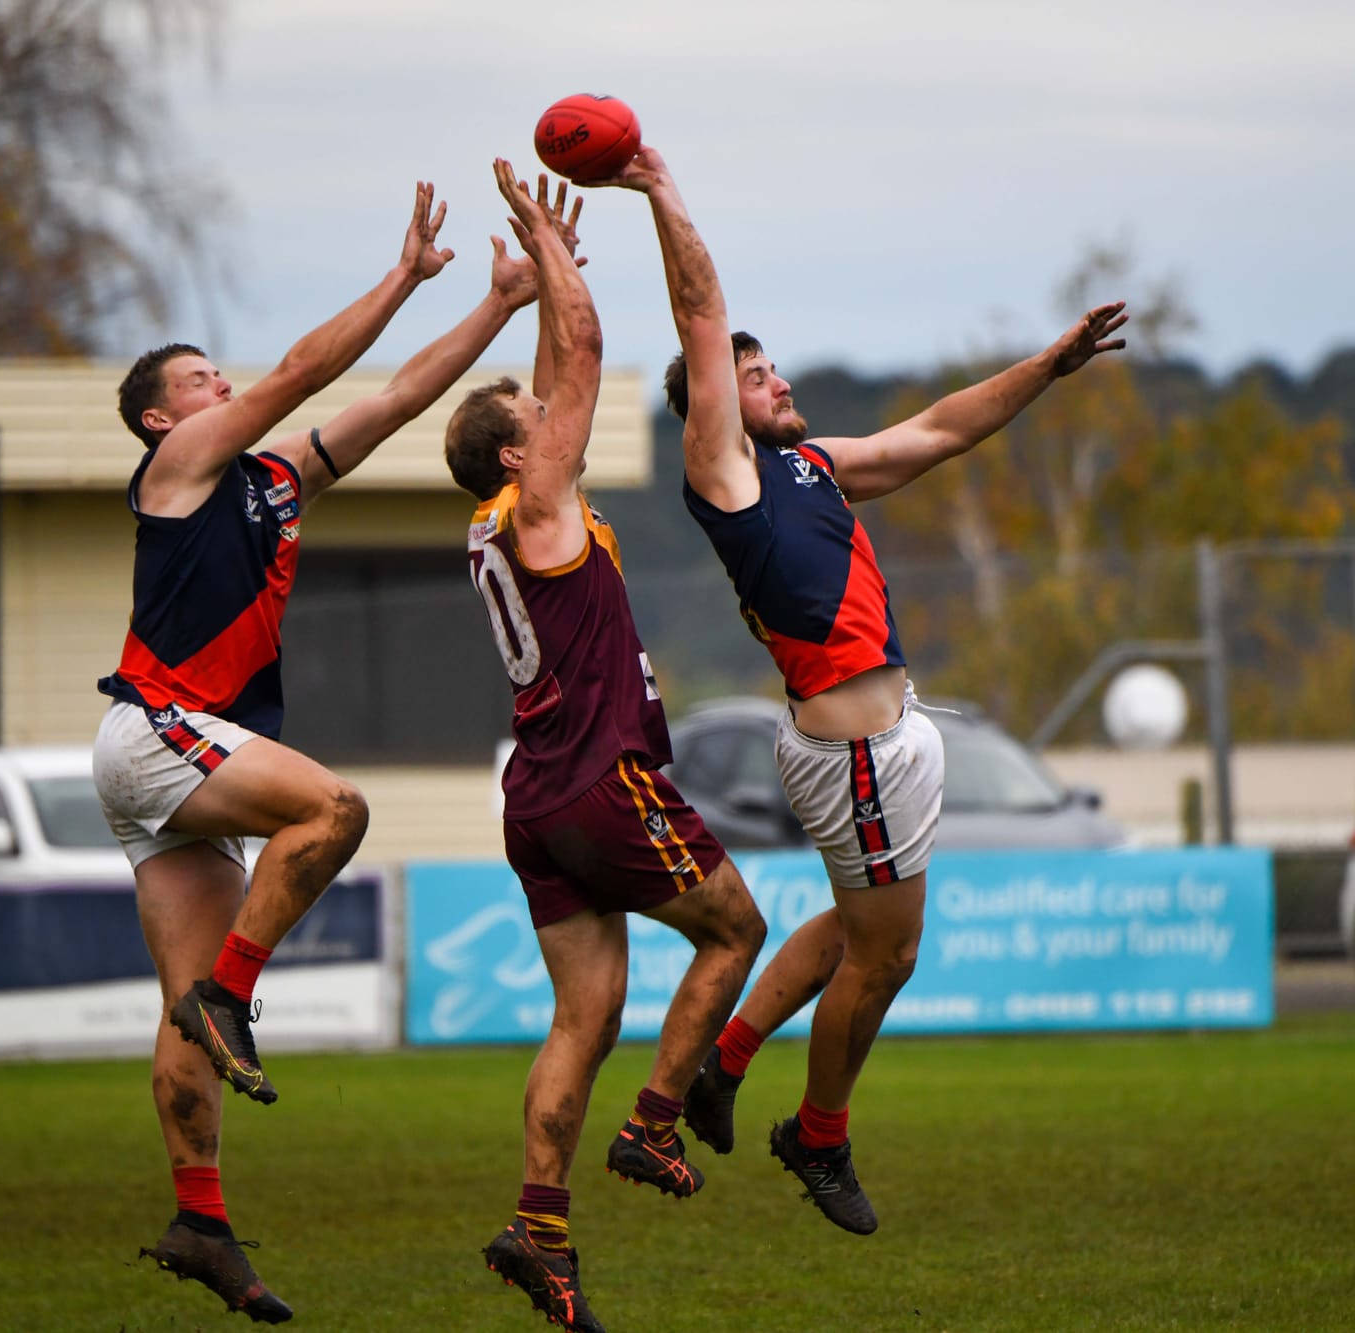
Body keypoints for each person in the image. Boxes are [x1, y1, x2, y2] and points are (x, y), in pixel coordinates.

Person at [609, 145, 1126, 1235]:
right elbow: (701, 317)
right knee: (888, 956)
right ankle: (818, 1135)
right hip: (855, 752)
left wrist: (1047, 365)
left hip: (882, 737)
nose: (776, 380)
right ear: (717, 408)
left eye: (772, 368)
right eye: (756, 377)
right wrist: (660, 189)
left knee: (854, 932)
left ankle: (725, 1063)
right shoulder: (726, 470)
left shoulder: (812, 464)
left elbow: (939, 430)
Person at [95, 181, 550, 1323]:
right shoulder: (179, 471)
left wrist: (496, 306)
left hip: (167, 765)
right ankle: (233, 993)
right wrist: (401, 275)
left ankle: (200, 1217)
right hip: (158, 731)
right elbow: (302, 371)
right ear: (164, 420)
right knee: (334, 812)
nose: (221, 385)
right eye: (199, 381)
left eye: (214, 375)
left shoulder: (278, 477)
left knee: (179, 1030)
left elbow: (398, 396)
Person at [450, 161, 765, 1333]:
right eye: (538, 430)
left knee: (582, 1016)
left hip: (534, 796)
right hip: (601, 780)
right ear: (514, 461)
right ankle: (652, 1123)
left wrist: (535, 290)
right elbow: (579, 358)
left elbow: (549, 378)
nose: (557, 426)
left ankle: (539, 1227)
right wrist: (555, 255)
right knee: (736, 930)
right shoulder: (536, 502)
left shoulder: (500, 516)